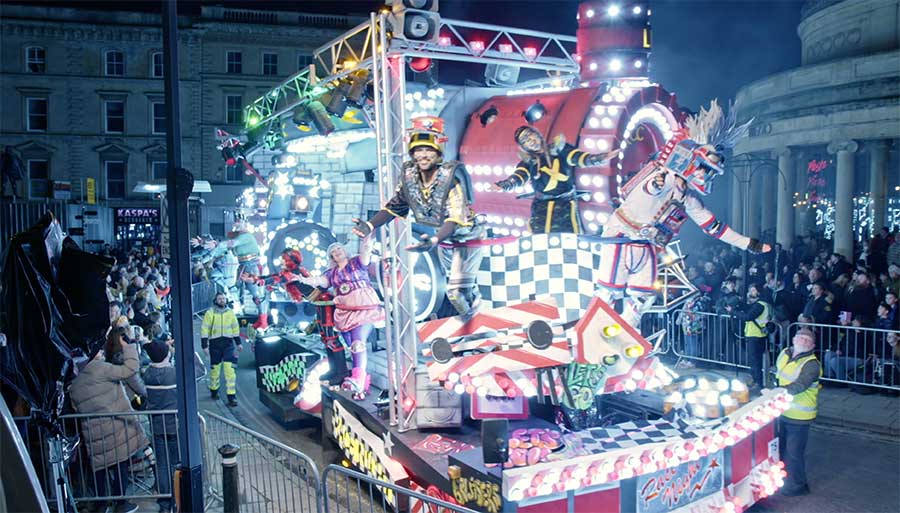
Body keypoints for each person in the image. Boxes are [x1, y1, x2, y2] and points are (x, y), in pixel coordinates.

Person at [595, 100, 770, 325]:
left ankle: (624, 333)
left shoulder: (689, 200)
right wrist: (663, 181)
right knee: (609, 292)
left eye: (710, 172)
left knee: (644, 296)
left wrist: (748, 244)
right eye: (705, 169)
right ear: (692, 161)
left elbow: (715, 228)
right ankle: (596, 329)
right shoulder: (662, 177)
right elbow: (654, 186)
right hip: (620, 237)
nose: (706, 176)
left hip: (645, 245)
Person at [351, 116, 484, 318]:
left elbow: (455, 219)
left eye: (428, 149)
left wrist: (434, 239)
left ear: (438, 151)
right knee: (461, 288)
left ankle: (479, 326)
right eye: (419, 150)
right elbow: (396, 206)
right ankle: (475, 323)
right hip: (444, 242)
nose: (423, 155)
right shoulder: (410, 178)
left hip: (465, 238)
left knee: (457, 293)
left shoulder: (451, 177)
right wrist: (370, 225)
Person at [68, 327, 148, 513]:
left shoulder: (76, 381)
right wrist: (127, 347)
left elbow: (74, 406)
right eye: (100, 351)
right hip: (115, 428)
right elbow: (130, 369)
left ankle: (101, 505)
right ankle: (121, 504)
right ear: (94, 355)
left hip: (94, 434)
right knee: (120, 467)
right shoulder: (101, 369)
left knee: (101, 471)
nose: (103, 352)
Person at [297, 237, 385, 399]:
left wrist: (366, 240)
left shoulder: (357, 262)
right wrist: (301, 279)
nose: (337, 253)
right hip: (345, 313)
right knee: (353, 346)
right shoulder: (332, 273)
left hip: (364, 308)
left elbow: (366, 252)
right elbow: (320, 281)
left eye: (338, 250)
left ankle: (358, 378)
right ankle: (361, 382)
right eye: (333, 253)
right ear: (331, 258)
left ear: (344, 251)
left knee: (358, 343)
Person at [492, 125, 619, 233]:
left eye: (530, 135)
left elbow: (579, 158)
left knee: (569, 241)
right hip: (541, 207)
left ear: (537, 135)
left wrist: (599, 158)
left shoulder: (560, 149)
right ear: (524, 146)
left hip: (565, 206)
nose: (530, 140)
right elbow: (518, 177)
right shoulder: (528, 162)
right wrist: (505, 185)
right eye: (524, 140)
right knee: (540, 242)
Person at [775, 328, 821, 496]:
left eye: (807, 340)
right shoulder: (785, 353)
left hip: (800, 416)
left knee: (794, 452)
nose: (802, 341)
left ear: (812, 345)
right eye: (800, 337)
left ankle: (798, 486)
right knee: (781, 449)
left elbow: (801, 384)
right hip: (783, 410)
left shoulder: (812, 364)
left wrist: (777, 392)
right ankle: (782, 480)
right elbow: (778, 375)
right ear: (793, 339)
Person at [142, 339, 178, 513]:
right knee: (176, 463)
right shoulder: (173, 374)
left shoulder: (147, 374)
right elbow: (199, 371)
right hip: (174, 426)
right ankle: (178, 498)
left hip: (156, 426)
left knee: (162, 465)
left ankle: (164, 504)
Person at [201, 292, 242, 406]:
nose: (222, 300)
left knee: (230, 371)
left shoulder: (230, 313)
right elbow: (205, 329)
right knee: (215, 370)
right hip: (215, 345)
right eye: (220, 299)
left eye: (223, 299)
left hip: (228, 345)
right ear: (215, 300)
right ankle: (214, 390)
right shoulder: (210, 313)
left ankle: (231, 396)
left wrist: (238, 343)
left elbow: (235, 328)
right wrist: (204, 345)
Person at [727, 284, 772, 388]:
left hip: (755, 335)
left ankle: (758, 382)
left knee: (755, 360)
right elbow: (748, 310)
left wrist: (733, 311)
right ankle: (757, 380)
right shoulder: (764, 304)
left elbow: (748, 316)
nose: (750, 293)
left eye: (753, 291)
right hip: (758, 334)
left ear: (758, 292)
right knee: (756, 360)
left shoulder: (760, 305)